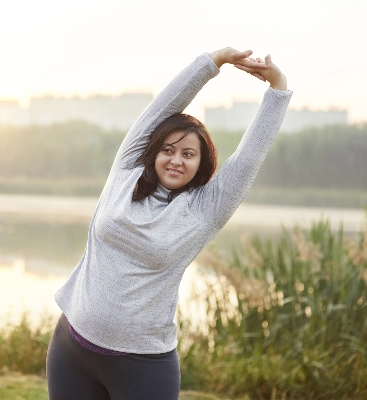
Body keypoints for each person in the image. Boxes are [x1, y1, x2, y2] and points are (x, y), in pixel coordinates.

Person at [46, 47, 292, 400]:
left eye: (188, 154)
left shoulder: (206, 209)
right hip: (72, 349)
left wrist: (278, 88)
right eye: (168, 149)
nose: (176, 160)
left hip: (141, 366)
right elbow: (161, 108)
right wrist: (213, 61)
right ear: (154, 151)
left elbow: (250, 155)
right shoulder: (126, 171)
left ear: (201, 162)